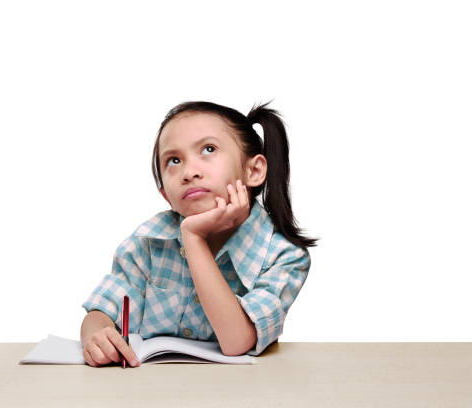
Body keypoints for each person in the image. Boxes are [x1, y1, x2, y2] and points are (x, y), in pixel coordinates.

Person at [80, 100, 318, 367]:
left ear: (253, 170)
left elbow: (237, 341)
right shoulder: (146, 243)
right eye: (174, 160)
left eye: (208, 149)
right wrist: (96, 334)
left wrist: (194, 239)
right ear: (165, 195)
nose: (189, 172)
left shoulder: (284, 257)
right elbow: (102, 310)